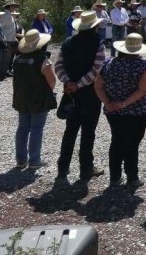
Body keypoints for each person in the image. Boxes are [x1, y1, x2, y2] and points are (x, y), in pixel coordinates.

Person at [95, 33, 146, 189]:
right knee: (132, 143)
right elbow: (142, 90)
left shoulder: (108, 64)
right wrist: (125, 103)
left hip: (113, 111)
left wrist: (107, 103)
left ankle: (115, 176)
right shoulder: (143, 67)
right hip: (137, 111)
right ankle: (132, 177)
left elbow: (98, 86)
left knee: (117, 141)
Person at [55, 11, 107, 181]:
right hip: (90, 94)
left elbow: (58, 66)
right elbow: (97, 69)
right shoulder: (99, 43)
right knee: (88, 132)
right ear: (95, 26)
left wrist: (69, 82)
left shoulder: (68, 42)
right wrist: (78, 85)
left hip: (70, 94)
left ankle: (62, 168)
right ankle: (86, 168)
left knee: (70, 131)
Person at [13, 29, 57, 169]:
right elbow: (52, 82)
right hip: (39, 98)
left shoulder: (17, 60)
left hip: (21, 97)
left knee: (22, 128)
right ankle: (34, 160)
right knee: (37, 129)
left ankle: (21, 159)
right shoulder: (43, 60)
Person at [0, 0, 20, 78]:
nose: (14, 7)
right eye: (13, 6)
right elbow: (1, 27)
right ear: (10, 6)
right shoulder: (5, 15)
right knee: (4, 58)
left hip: (10, 38)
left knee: (8, 57)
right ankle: (1, 73)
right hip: (6, 39)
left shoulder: (10, 15)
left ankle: (5, 71)